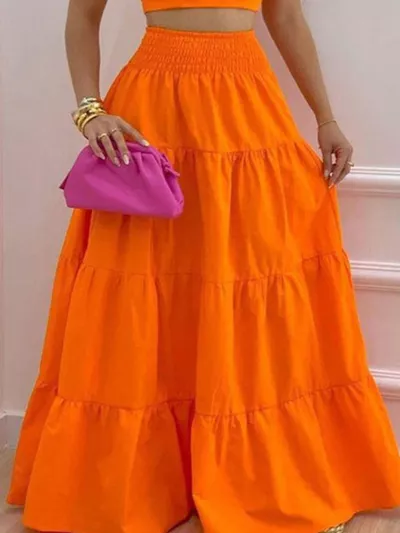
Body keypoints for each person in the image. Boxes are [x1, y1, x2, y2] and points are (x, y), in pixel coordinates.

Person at [7, 0, 400, 532]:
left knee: (246, 278)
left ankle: (254, 474)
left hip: (246, 102)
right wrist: (89, 110)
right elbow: (82, 16)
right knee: (148, 282)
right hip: (154, 106)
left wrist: (325, 117)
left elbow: (285, 17)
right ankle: (142, 481)